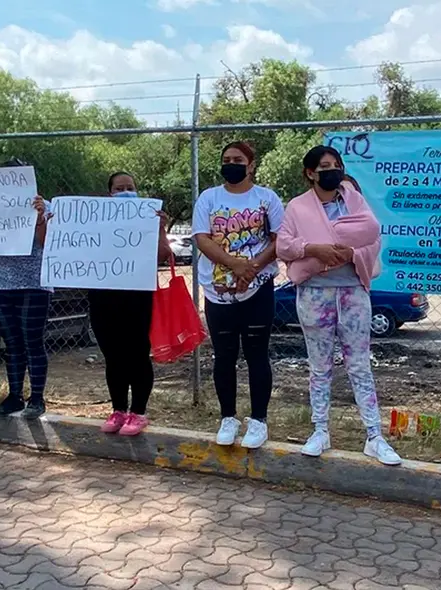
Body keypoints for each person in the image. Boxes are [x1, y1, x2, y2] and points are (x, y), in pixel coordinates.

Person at [276, 145, 401, 466]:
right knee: (320, 367)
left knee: (359, 364)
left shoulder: (354, 200)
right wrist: (314, 248)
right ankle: (320, 430)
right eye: (324, 166)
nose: (332, 171)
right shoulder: (297, 207)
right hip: (315, 294)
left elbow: (373, 237)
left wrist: (350, 254)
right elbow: (284, 245)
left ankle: (374, 436)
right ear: (310, 173)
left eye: (336, 165)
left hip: (352, 292)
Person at [192, 141, 284, 449]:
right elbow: (201, 238)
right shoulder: (209, 198)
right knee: (224, 356)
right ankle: (228, 418)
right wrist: (233, 265)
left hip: (258, 289)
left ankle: (258, 421)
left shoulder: (267, 198)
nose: (232, 164)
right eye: (227, 159)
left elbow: (279, 238)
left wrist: (252, 268)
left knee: (257, 354)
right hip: (218, 292)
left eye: (238, 159)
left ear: (252, 164)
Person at [97, 171, 171, 436]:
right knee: (113, 357)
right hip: (103, 298)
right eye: (119, 188)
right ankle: (118, 410)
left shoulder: (147, 222)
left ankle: (138, 412)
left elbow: (163, 255)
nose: (125, 192)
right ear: (109, 195)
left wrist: (160, 228)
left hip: (138, 296)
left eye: (130, 187)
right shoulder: (96, 223)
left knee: (138, 355)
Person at [0, 158, 52, 420]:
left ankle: (36, 398)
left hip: (34, 284)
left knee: (32, 342)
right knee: (12, 343)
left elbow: (48, 243)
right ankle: (15, 396)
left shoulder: (43, 205)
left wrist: (39, 218)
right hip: (0, 282)